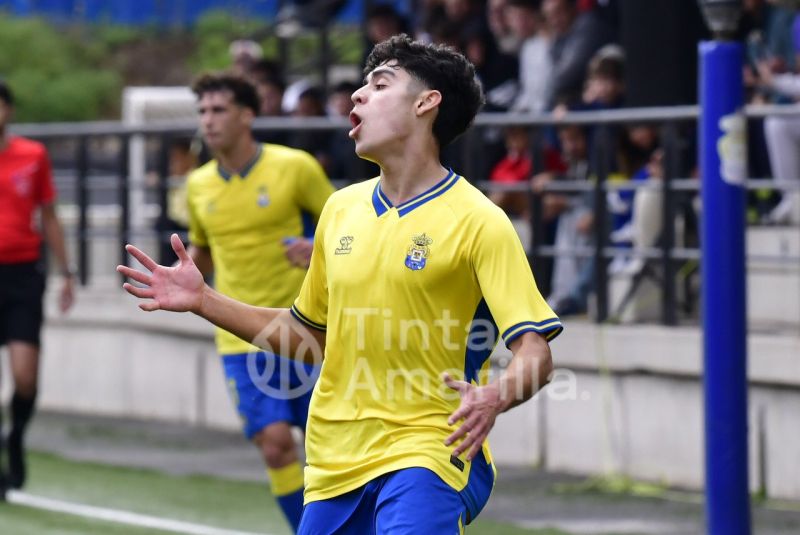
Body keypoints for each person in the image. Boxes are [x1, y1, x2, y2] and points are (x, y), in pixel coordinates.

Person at [119, 36, 561, 533]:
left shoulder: (481, 221)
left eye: (379, 84)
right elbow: (310, 336)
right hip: (334, 462)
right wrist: (203, 300)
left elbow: (535, 352)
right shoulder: (341, 209)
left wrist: (494, 395)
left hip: (429, 450)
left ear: (426, 102)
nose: (357, 96)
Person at [184, 73, 335, 532]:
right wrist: (181, 274)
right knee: (274, 444)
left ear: (247, 115)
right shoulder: (197, 186)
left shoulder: (295, 167)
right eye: (203, 111)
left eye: (219, 110)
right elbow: (202, 250)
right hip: (240, 337)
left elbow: (345, 229)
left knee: (328, 445)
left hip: (305, 328)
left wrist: (314, 247)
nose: (208, 121)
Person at [0, 80, 74, 498]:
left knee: (24, 377)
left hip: (23, 275)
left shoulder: (32, 156)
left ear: (7, 110)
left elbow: (49, 215)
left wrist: (67, 272)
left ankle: (16, 435)